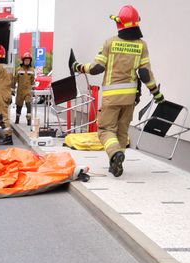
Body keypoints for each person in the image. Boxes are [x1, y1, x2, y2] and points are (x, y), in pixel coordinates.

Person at [73, 5, 163, 177]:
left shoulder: (110, 42)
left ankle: (115, 154)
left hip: (111, 98)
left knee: (105, 129)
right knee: (122, 131)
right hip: (130, 99)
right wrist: (156, 93)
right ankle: (115, 162)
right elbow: (145, 73)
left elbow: (97, 68)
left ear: (120, 24)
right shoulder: (141, 45)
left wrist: (78, 66)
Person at [14, 51, 37, 126]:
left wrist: (33, 91)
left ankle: (29, 121)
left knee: (28, 105)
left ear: (30, 61)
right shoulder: (18, 69)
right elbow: (14, 80)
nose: (27, 61)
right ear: (23, 61)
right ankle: (17, 119)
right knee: (19, 106)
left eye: (28, 60)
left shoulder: (32, 70)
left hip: (28, 92)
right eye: (26, 60)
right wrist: (12, 90)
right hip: (20, 91)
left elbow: (33, 81)